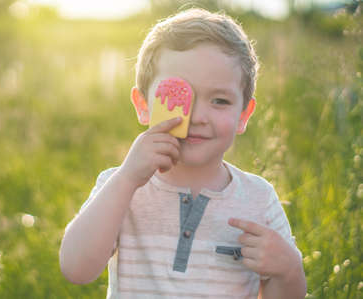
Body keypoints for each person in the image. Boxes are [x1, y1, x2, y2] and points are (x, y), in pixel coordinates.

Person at [60, 8, 307, 299]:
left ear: (243, 115)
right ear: (143, 104)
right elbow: (76, 269)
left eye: (219, 100)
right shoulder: (120, 186)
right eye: (178, 96)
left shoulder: (258, 199)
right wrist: (127, 179)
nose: (197, 116)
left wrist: (288, 269)